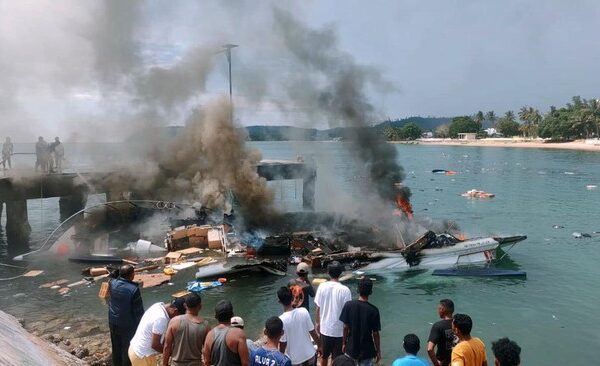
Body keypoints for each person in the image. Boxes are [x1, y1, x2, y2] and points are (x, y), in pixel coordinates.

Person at [128, 298, 186, 366]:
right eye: (179, 316)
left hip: (137, 349)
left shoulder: (158, 305)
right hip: (141, 355)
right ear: (175, 311)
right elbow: (155, 345)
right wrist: (171, 354)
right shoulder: (161, 319)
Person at [314, 261, 351, 366]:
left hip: (325, 329)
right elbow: (347, 313)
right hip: (339, 331)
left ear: (328, 272)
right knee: (337, 359)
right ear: (340, 273)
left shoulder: (322, 286)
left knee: (324, 356)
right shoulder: (345, 290)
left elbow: (318, 308)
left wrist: (317, 323)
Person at [108, 265, 145, 366]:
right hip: (127, 325)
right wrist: (141, 327)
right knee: (127, 349)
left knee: (116, 347)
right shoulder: (133, 289)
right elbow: (139, 311)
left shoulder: (112, 283)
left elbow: (111, 276)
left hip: (113, 321)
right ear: (132, 275)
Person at [339, 277, 381, 365]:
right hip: (367, 351)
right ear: (371, 292)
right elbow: (375, 333)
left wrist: (343, 343)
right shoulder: (373, 310)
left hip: (351, 348)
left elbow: (345, 327)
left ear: (358, 290)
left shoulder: (348, 305)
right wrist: (378, 351)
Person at [163, 293, 211, 366]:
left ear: (185, 305)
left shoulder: (174, 321)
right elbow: (207, 350)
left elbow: (167, 345)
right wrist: (207, 363)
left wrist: (165, 364)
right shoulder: (205, 325)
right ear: (200, 306)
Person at [277, 286, 320, 366]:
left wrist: (281, 358)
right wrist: (320, 346)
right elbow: (313, 332)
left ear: (279, 301)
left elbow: (283, 343)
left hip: (295, 361)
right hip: (310, 355)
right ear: (293, 297)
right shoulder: (304, 311)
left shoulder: (281, 320)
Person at [203, 300, 249, 366]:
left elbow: (207, 362)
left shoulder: (209, 335)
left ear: (215, 316)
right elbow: (245, 363)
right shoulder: (239, 333)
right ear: (232, 315)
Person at [427, 299, 456, 366]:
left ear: (442, 309)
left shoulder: (438, 326)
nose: (438, 311)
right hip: (457, 361)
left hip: (443, 362)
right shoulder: (459, 323)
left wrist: (436, 364)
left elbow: (430, 349)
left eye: (439, 308)